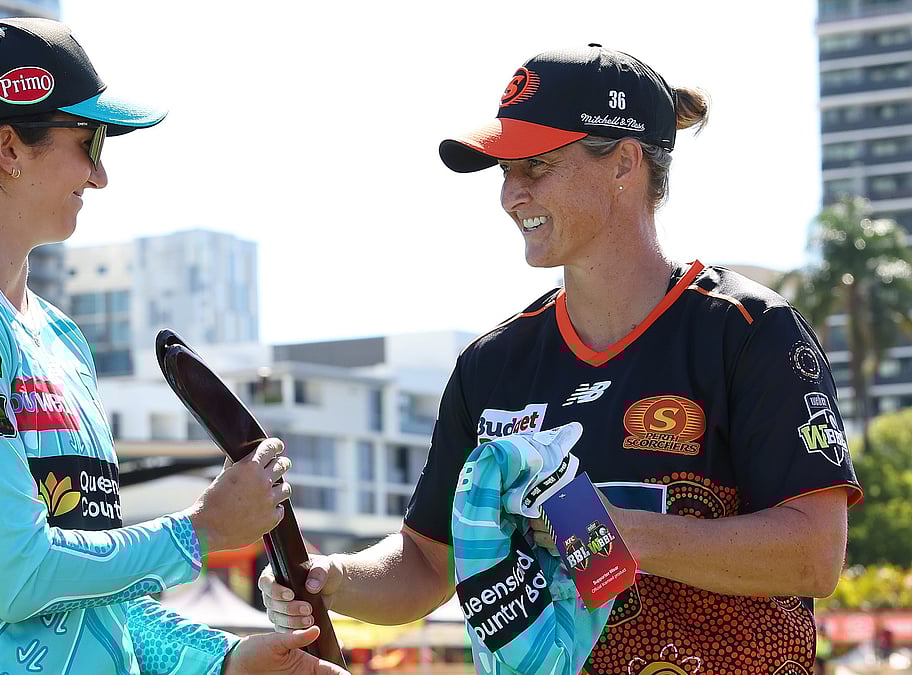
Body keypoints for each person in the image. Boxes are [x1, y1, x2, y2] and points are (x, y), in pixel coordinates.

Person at [259, 44, 863, 674]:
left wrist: (609, 532)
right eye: (503, 172)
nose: (510, 195)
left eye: (537, 168)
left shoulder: (749, 333)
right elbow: (424, 565)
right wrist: (333, 577)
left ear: (625, 161)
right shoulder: (490, 366)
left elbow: (814, 554)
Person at [0, 15, 346, 675]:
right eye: (90, 140)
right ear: (11, 149)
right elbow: (18, 574)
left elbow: (97, 591)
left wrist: (226, 659)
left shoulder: (59, 336)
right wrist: (200, 531)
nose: (100, 176)